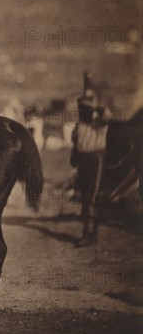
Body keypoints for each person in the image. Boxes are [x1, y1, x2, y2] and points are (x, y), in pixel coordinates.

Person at [70, 75, 109, 248]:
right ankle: (88, 232)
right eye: (81, 107)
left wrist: (93, 97)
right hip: (84, 161)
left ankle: (91, 234)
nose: (81, 109)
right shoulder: (80, 126)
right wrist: (75, 159)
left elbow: (105, 113)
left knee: (92, 197)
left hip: (96, 160)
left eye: (85, 108)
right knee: (84, 196)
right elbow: (75, 144)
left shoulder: (99, 122)